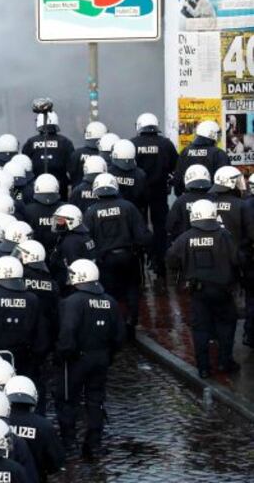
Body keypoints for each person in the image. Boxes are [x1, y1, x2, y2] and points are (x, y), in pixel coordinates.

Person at [56, 259, 125, 458]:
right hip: (101, 357)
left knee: (68, 400)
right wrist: (107, 354)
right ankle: (94, 444)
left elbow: (68, 331)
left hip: (76, 360)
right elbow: (119, 335)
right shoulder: (109, 301)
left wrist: (64, 354)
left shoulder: (73, 302)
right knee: (96, 400)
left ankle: (69, 444)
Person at [166, 199, 241, 378]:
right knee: (226, 326)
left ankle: (204, 367)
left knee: (200, 329)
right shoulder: (224, 236)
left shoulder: (185, 238)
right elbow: (238, 260)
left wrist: (179, 277)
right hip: (223, 291)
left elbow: (171, 258)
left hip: (198, 292)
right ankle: (225, 362)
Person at [83, 173, 151, 336]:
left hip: (105, 260)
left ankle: (113, 325)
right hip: (128, 256)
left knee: (108, 293)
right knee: (132, 289)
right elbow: (142, 235)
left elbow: (87, 238)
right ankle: (130, 321)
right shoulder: (128, 207)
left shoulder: (91, 211)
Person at [131, 113, 178, 278]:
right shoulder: (166, 144)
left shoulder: (132, 143)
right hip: (159, 192)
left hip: (138, 193)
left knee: (139, 226)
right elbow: (175, 167)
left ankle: (141, 262)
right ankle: (160, 262)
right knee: (161, 228)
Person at [22, 111, 75, 197]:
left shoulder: (31, 142)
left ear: (38, 122)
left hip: (35, 188)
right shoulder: (65, 142)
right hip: (61, 189)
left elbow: (23, 163)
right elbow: (72, 167)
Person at [171, 120, 229, 195]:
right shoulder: (218, 153)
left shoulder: (185, 152)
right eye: (217, 134)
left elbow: (178, 177)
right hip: (212, 198)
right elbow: (225, 178)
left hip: (188, 196)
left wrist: (181, 197)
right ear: (212, 134)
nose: (218, 138)